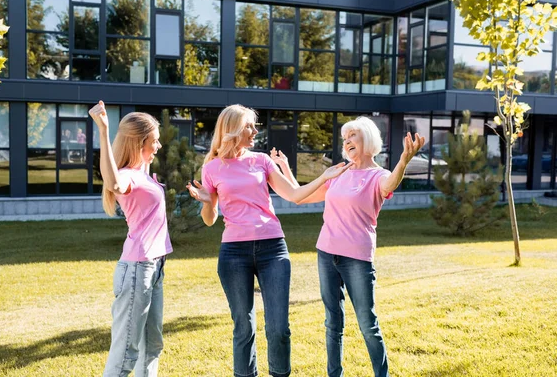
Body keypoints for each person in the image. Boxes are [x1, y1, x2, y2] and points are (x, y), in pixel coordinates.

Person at [186, 104, 352, 377]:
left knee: (278, 328)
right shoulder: (213, 167)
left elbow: (294, 195)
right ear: (233, 130)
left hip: (272, 248)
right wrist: (206, 202)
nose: (255, 131)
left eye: (254, 125)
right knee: (243, 327)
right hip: (233, 253)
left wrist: (324, 176)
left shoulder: (261, 160)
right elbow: (209, 218)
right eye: (249, 126)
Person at [277, 116, 425, 377]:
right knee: (333, 322)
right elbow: (300, 196)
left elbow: (390, 184)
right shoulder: (338, 172)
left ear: (367, 139)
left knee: (367, 324)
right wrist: (286, 168)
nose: (346, 142)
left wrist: (403, 160)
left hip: (356, 258)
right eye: (344, 138)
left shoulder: (377, 176)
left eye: (352, 136)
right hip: (326, 253)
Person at [89, 101, 172, 377]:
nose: (158, 147)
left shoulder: (142, 174)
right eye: (154, 141)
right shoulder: (126, 176)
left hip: (154, 267)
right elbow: (113, 183)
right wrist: (104, 131)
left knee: (151, 347)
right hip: (138, 268)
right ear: (139, 142)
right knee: (126, 352)